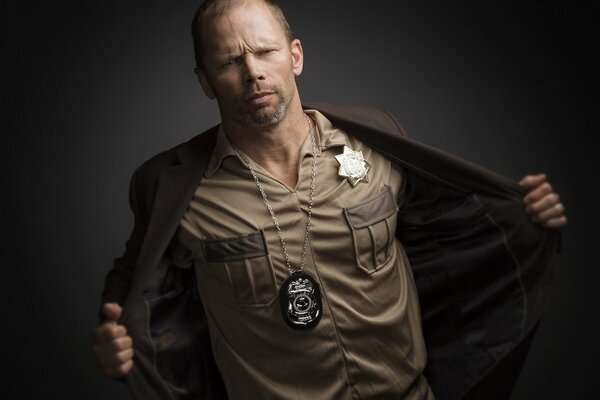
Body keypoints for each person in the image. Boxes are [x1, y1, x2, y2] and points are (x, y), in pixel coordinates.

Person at [91, 1, 567, 399]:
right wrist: (121, 334)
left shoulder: (378, 141)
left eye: (264, 51)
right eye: (229, 62)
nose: (253, 72)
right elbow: (136, 278)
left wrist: (522, 215)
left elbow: (455, 233)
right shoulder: (169, 185)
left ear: (294, 55)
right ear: (205, 81)